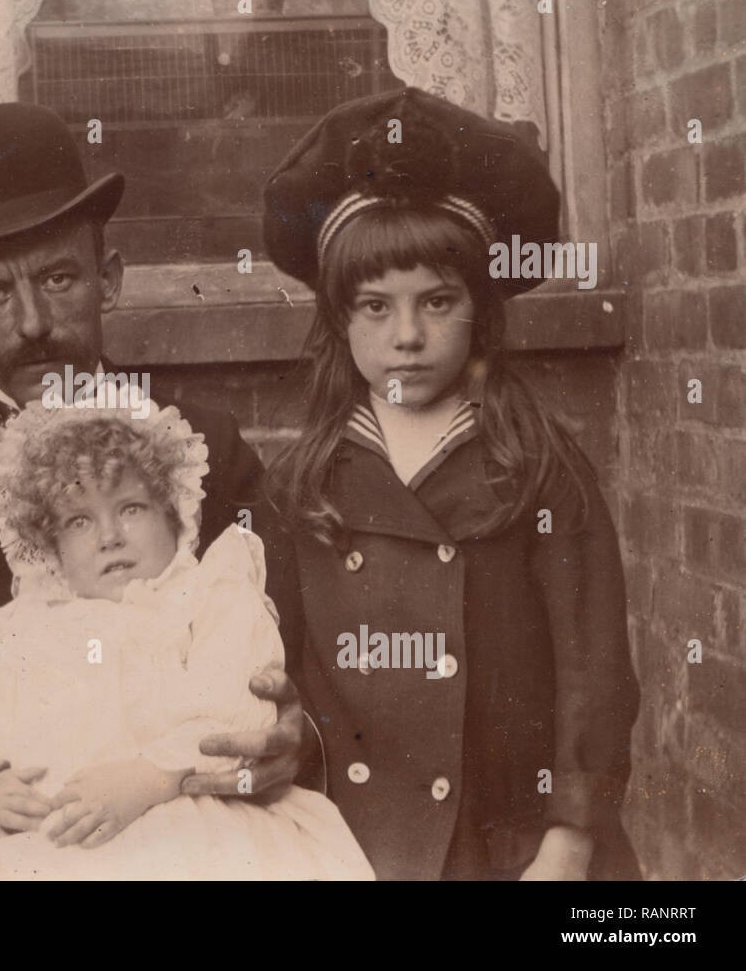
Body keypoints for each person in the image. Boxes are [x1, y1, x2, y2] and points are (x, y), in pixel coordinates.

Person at [0, 103, 311, 866]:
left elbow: (283, 656)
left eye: (59, 277)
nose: (33, 321)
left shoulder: (203, 450)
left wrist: (290, 734)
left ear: (109, 279)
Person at [261, 87, 641, 880]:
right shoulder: (304, 483)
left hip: (515, 838)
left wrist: (570, 836)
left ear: (482, 312)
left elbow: (592, 661)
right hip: (356, 841)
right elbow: (280, 669)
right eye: (375, 306)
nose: (407, 336)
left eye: (438, 301)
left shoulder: (534, 463)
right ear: (338, 319)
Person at [0, 392, 374, 880]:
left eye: (131, 508)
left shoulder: (208, 596)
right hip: (50, 837)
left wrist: (151, 778)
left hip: (184, 815)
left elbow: (237, 712)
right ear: (49, 543)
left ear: (173, 511)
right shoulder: (15, 627)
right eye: (79, 520)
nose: (109, 535)